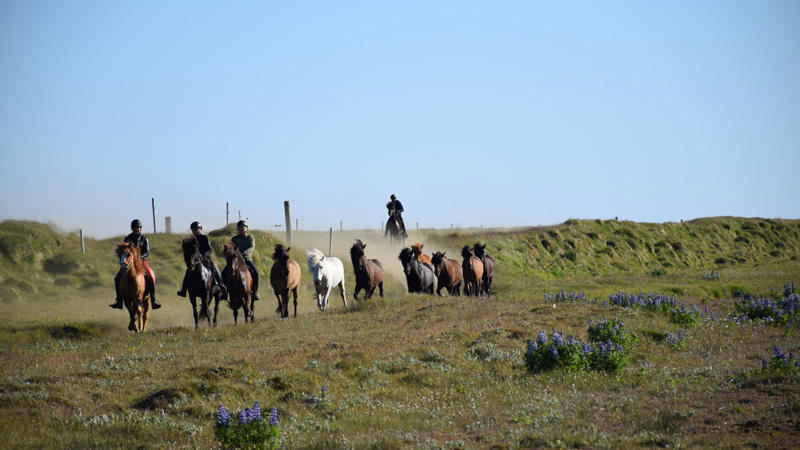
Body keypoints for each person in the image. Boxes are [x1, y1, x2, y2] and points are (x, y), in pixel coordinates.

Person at [109, 219, 161, 309]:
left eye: (138, 228)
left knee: (151, 277)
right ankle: (119, 300)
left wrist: (139, 258)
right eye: (135, 228)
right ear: (132, 229)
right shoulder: (127, 239)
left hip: (142, 262)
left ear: (141, 229)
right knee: (117, 278)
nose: (137, 229)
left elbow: (147, 252)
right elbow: (123, 251)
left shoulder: (144, 239)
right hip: (129, 263)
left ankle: (153, 300)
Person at [177, 221, 227, 298]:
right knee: (188, 271)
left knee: (214, 268)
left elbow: (210, 250)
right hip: (195, 260)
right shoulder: (191, 240)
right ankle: (183, 290)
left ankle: (221, 284)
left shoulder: (205, 238)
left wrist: (203, 255)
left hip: (205, 258)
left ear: (200, 229)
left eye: (197, 229)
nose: (195, 231)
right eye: (193, 229)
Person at [222, 220, 260, 300]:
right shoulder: (234, 238)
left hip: (246, 259)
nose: (241, 229)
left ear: (246, 228)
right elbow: (231, 248)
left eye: (243, 227)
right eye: (239, 228)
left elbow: (251, 247)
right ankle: (225, 292)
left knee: (255, 273)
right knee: (224, 273)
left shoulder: (250, 237)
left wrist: (244, 253)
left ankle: (255, 292)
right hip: (236, 260)